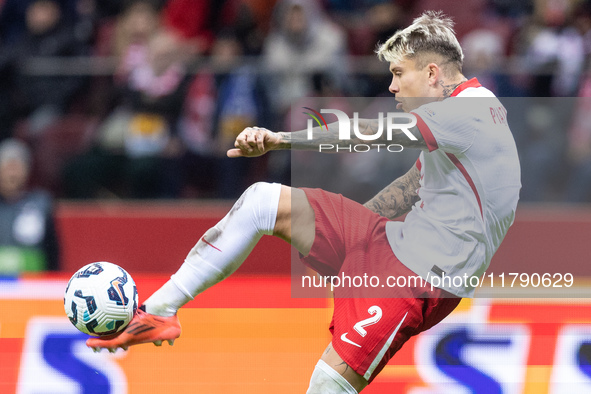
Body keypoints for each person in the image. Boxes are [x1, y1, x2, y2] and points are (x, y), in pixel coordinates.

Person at [87, 11, 521, 393]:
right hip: (391, 243)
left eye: (397, 73)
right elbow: (414, 184)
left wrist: (281, 140)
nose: (391, 86)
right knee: (261, 201)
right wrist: (352, 243)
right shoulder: (465, 112)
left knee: (326, 386)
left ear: (431, 73)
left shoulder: (468, 114)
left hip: (417, 280)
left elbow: (369, 132)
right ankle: (158, 313)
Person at [0, 139, 60, 273]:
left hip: (33, 284)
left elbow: (52, 249)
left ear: (27, 170)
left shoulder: (40, 203)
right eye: (8, 167)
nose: (12, 174)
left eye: (17, 167)